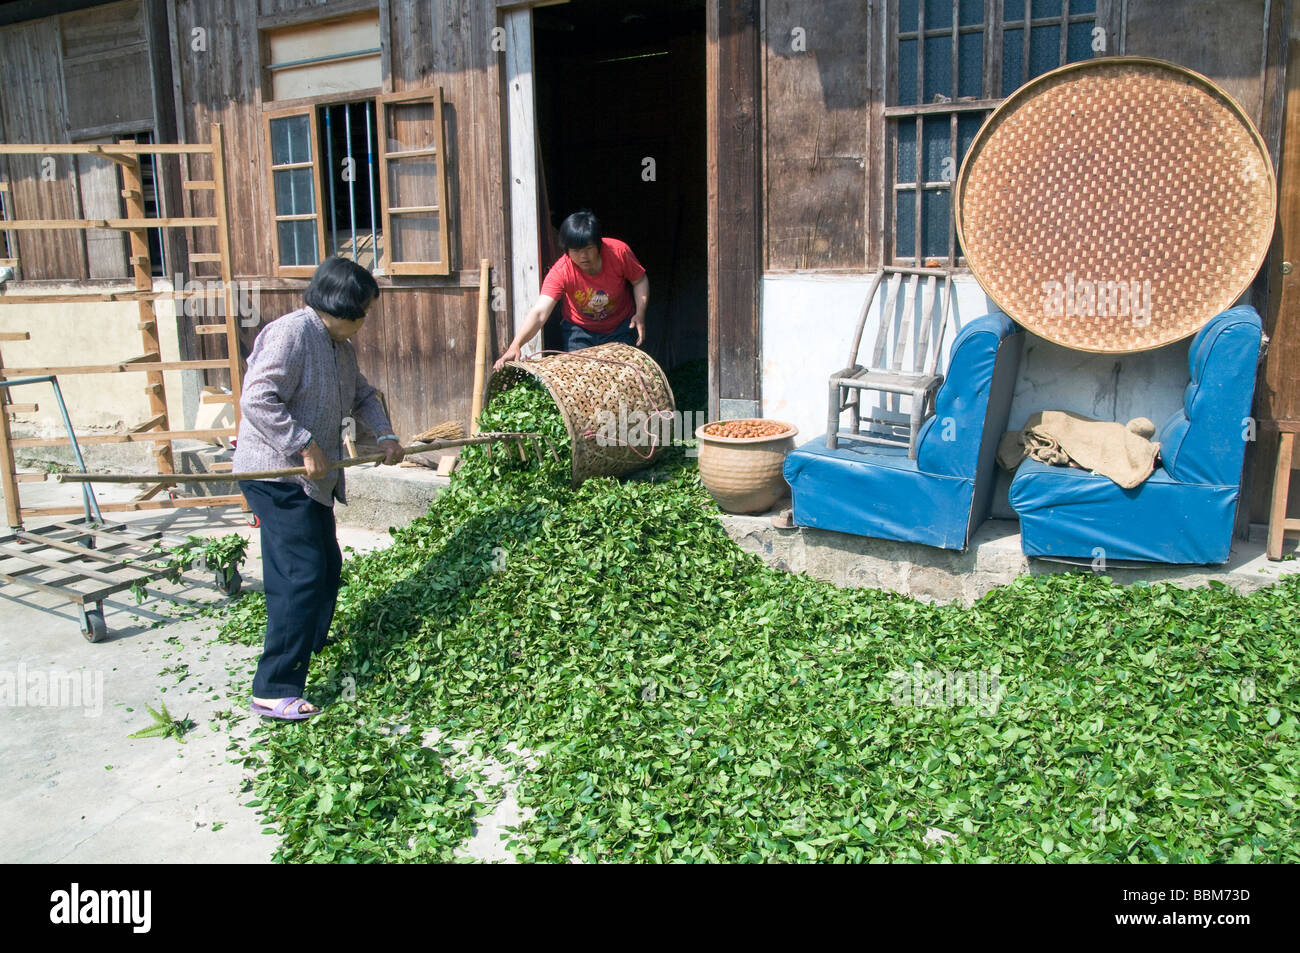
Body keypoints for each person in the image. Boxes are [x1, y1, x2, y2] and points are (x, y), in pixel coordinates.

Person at [233, 257, 405, 721]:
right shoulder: (292, 334)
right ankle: (273, 689)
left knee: (326, 565)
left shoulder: (338, 345)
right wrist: (303, 442)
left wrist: (385, 435)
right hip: (276, 474)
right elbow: (256, 398)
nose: (365, 321)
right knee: (300, 575)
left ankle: (308, 638)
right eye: (364, 312)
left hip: (312, 479)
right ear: (341, 308)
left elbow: (364, 395)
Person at [493, 210, 648, 370]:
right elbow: (539, 313)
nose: (583, 256)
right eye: (575, 251)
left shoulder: (618, 252)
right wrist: (516, 345)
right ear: (566, 251)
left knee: (622, 375)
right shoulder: (561, 271)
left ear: (598, 244)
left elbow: (640, 280)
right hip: (579, 331)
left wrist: (640, 313)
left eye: (588, 248)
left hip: (619, 327)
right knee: (579, 377)